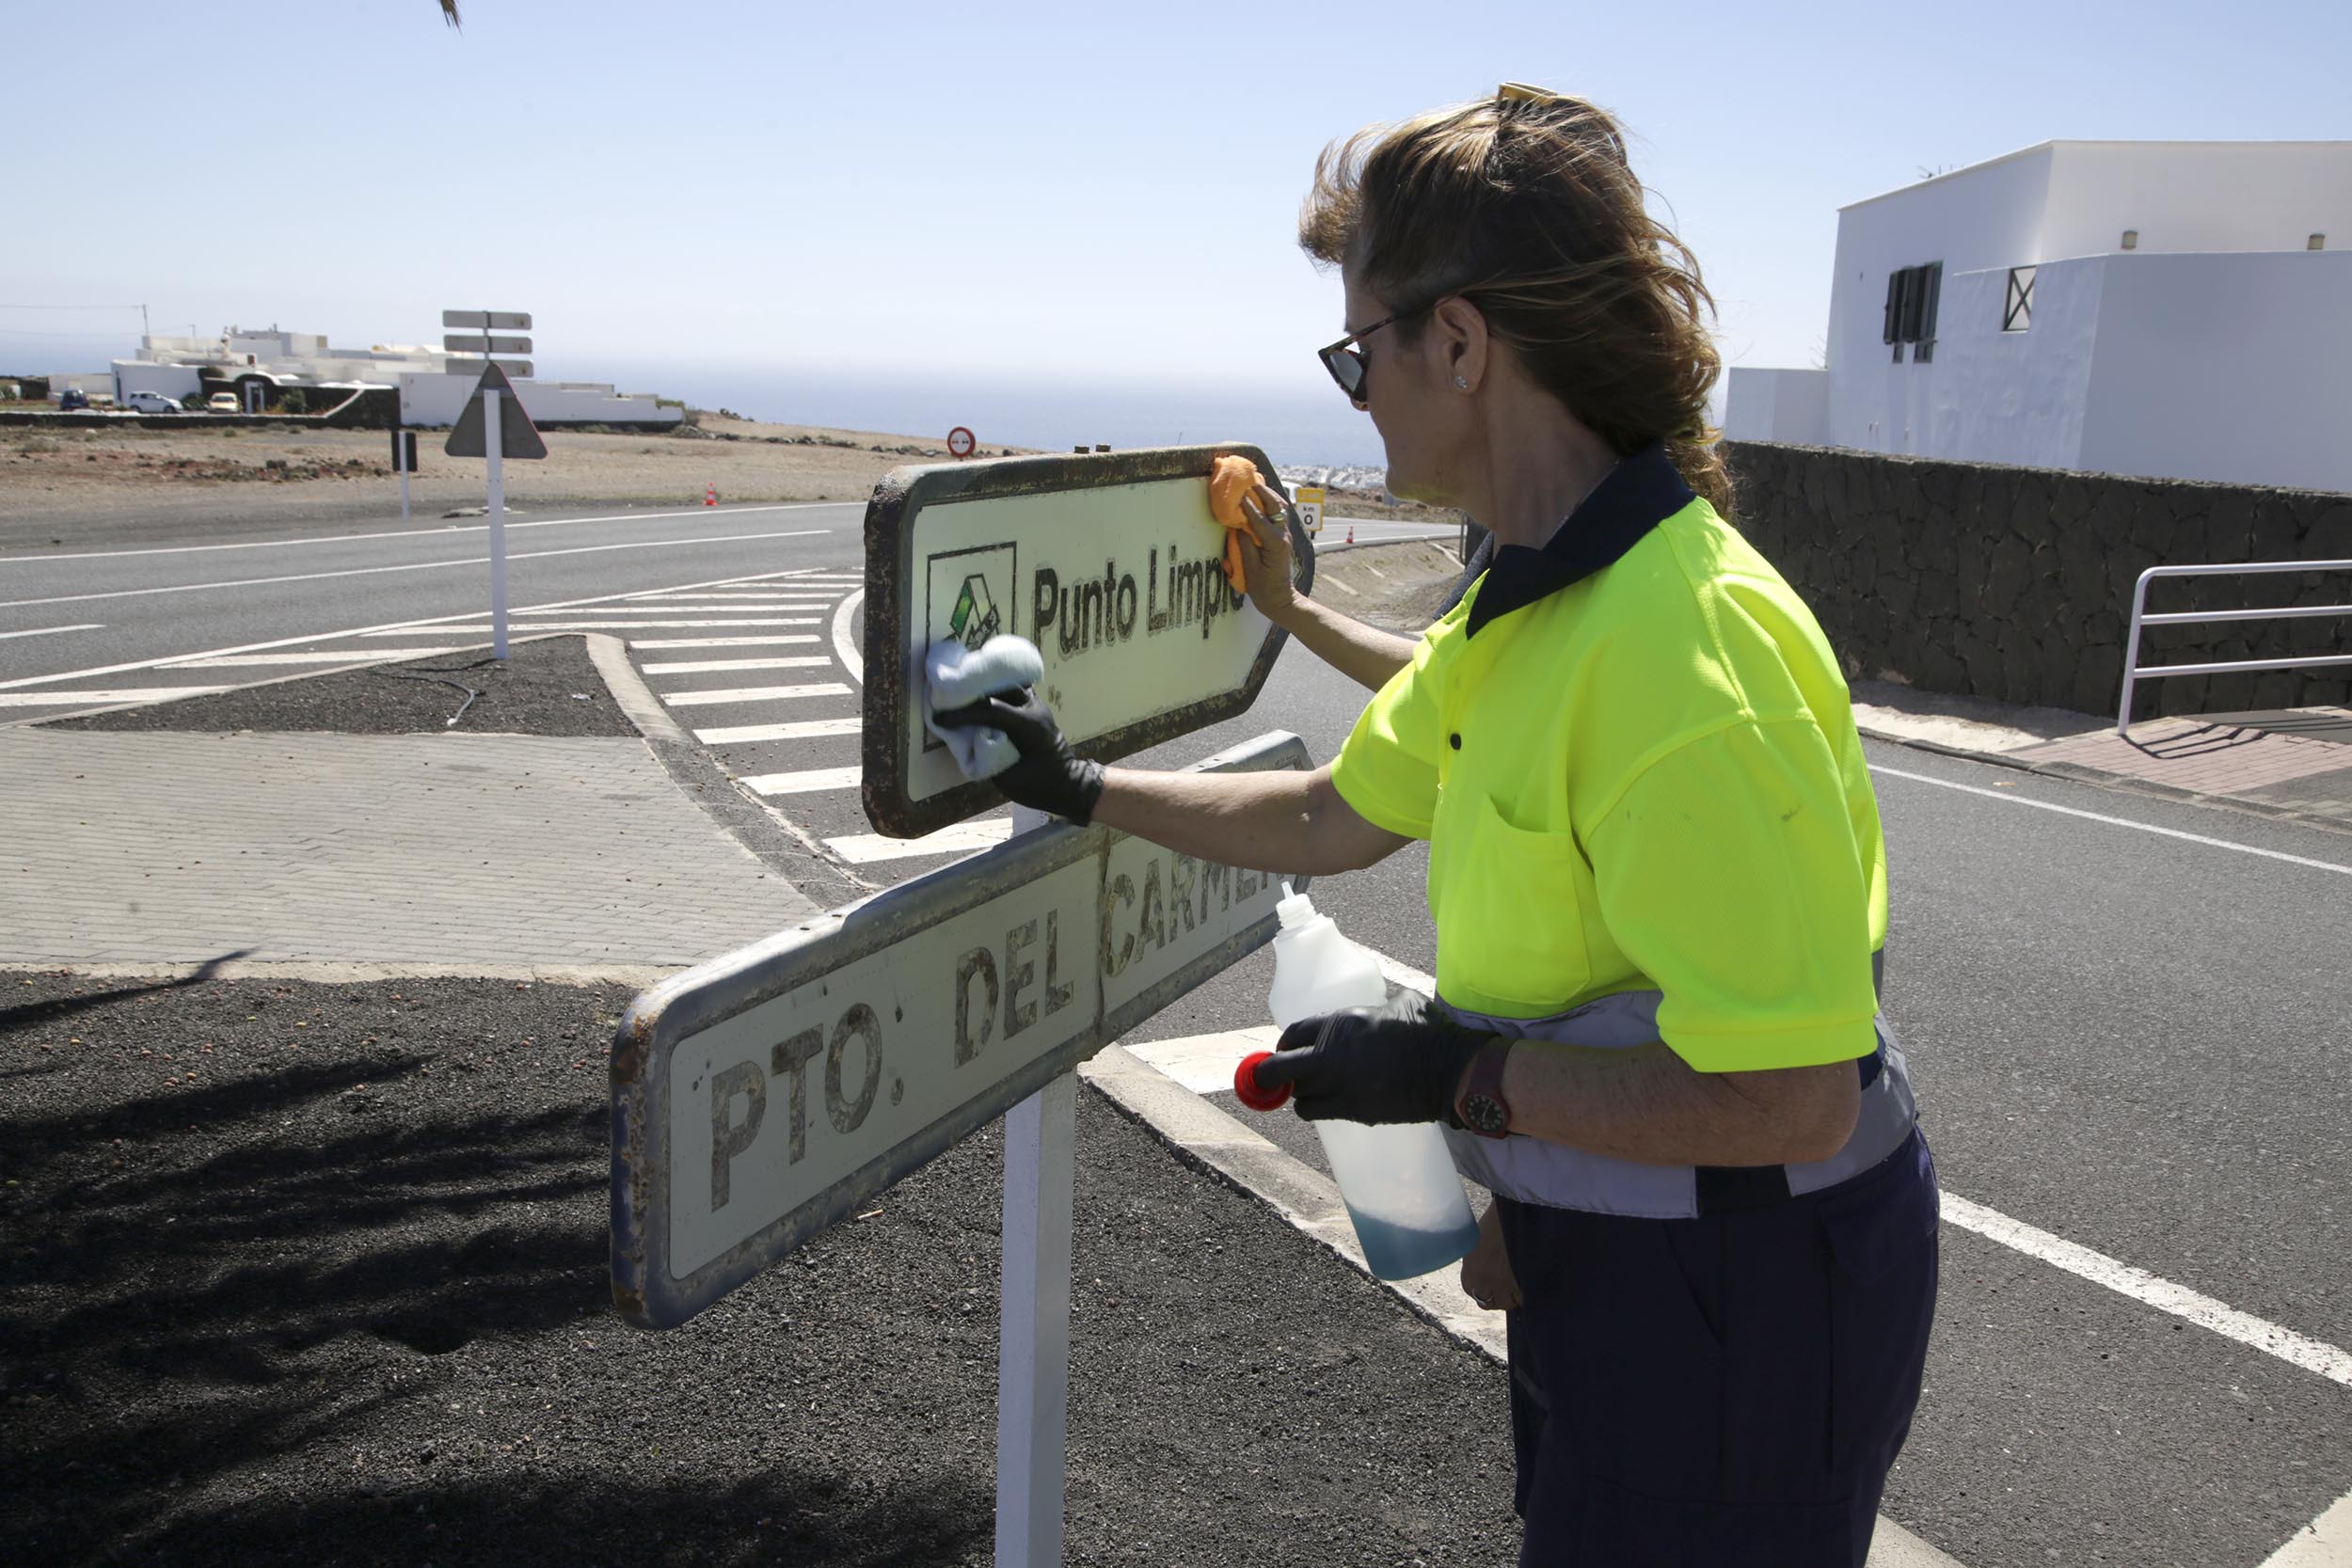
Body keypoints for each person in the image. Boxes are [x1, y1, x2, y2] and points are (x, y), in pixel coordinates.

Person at [939, 85, 1938, 1567]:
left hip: (1751, 1296)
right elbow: (1332, 812)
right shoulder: (1530, 602)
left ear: (1459, 345)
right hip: (1645, 1254)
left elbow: (1790, 1098)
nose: (1356, 393)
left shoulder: (1686, 661)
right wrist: (1074, 785)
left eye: (1360, 353)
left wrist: (1463, 1080)